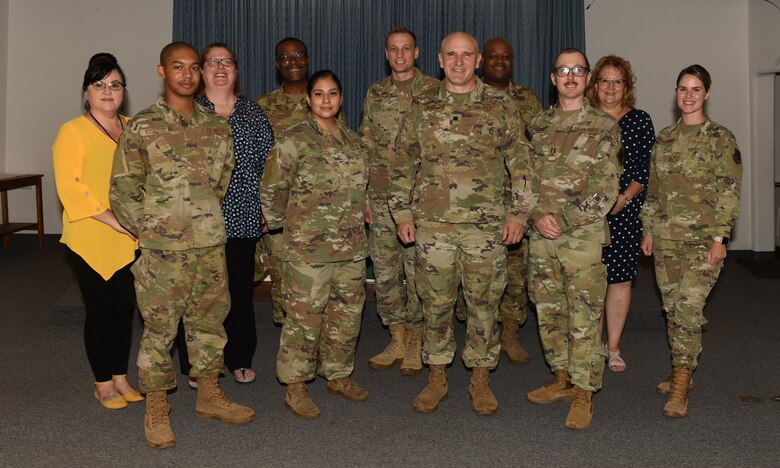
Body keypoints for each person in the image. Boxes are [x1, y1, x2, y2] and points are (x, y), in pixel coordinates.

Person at [110, 41, 254, 449]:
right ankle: (157, 406)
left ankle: (209, 395)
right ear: (162, 72)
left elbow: (221, 182)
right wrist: (152, 229)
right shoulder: (142, 126)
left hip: (209, 245)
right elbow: (122, 188)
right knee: (159, 330)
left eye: (194, 67)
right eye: (179, 67)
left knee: (210, 323)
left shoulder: (217, 127)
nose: (188, 74)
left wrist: (200, 222)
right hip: (161, 252)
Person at [388, 32, 533, 415]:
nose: (458, 62)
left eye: (466, 55)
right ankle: (437, 377)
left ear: (478, 60)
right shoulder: (422, 106)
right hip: (432, 226)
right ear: (439, 60)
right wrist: (401, 212)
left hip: (485, 228)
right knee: (435, 304)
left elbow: (521, 161)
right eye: (451, 55)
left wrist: (519, 213)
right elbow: (402, 162)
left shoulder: (500, 105)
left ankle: (481, 378)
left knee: (484, 304)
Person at [261, 70, 369, 420]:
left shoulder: (353, 142)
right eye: (319, 94)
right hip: (309, 251)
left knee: (346, 317)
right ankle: (296, 386)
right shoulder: (292, 140)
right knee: (304, 321)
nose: (326, 100)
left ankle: (337, 374)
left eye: (333, 93)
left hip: (351, 249)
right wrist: (285, 232)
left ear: (340, 99)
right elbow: (272, 191)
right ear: (308, 99)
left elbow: (360, 190)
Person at [525, 48, 621, 430]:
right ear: (553, 78)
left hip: (580, 238)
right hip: (541, 237)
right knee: (548, 312)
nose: (569, 76)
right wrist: (535, 216)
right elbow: (524, 181)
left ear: (587, 78)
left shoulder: (603, 126)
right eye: (562, 70)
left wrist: (561, 220)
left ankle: (584, 392)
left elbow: (606, 189)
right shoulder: (537, 125)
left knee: (583, 317)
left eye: (577, 70)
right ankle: (561, 377)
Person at [640, 64, 742, 418]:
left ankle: (682, 381)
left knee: (687, 309)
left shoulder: (720, 139)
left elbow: (729, 191)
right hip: (666, 239)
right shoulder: (664, 138)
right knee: (672, 309)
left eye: (696, 89)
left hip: (703, 242)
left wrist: (720, 237)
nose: (688, 95)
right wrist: (648, 229)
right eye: (683, 88)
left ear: (707, 94)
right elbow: (653, 191)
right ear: (676, 93)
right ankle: (681, 367)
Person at [52, 53, 142, 410]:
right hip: (90, 231)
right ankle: (103, 382)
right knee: (100, 309)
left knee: (124, 309)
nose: (108, 91)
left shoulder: (135, 127)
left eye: (115, 85)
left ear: (124, 92)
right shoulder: (72, 131)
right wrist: (112, 219)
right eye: (99, 84)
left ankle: (121, 377)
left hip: (130, 235)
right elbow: (70, 186)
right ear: (86, 91)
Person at [193, 42, 274, 384]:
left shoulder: (253, 114)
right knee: (200, 294)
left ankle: (239, 357)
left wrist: (269, 209)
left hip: (243, 215)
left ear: (236, 70)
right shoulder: (189, 111)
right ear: (201, 70)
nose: (220, 67)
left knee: (239, 292)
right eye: (213, 62)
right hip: (197, 220)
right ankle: (199, 365)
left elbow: (270, 165)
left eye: (227, 62)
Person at [360, 27, 439, 376]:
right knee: (386, 271)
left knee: (418, 272)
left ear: (417, 52)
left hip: (420, 200)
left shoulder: (435, 92)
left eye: (406, 49)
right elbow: (366, 145)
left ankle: (417, 338)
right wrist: (362, 194)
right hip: (380, 196)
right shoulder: (376, 93)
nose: (400, 55)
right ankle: (397, 335)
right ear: (387, 53)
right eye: (394, 49)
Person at [255, 38, 346, 325]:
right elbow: (256, 163)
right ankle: (291, 346)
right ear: (276, 64)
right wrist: (263, 210)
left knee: (322, 286)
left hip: (321, 213)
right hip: (281, 212)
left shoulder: (326, 103)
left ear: (307, 59)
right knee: (286, 280)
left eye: (298, 56)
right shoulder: (263, 107)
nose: (292, 62)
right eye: (285, 57)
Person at [587, 55, 655, 373]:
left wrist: (623, 199)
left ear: (626, 86)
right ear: (595, 85)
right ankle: (591, 346)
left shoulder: (639, 121)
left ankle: (612, 347)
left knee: (620, 281)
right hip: (586, 215)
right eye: (605, 81)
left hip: (625, 212)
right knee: (590, 282)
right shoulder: (583, 118)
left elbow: (643, 170)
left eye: (617, 81)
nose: (611, 87)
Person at [481, 36, 543, 364]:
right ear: (482, 60)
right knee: (476, 274)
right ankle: (480, 333)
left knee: (516, 273)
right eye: (493, 56)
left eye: (506, 57)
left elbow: (539, 149)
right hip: (478, 204)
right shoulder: (469, 98)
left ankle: (509, 332)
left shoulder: (527, 99)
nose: (500, 62)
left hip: (517, 202)